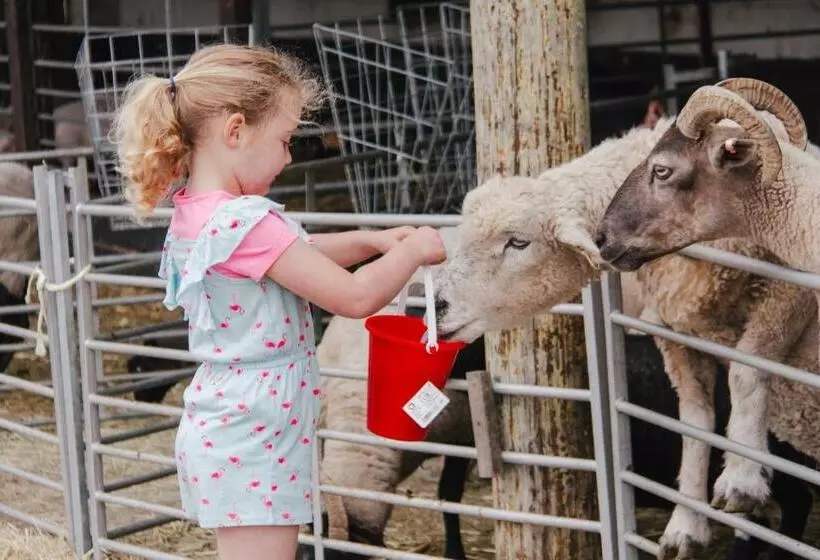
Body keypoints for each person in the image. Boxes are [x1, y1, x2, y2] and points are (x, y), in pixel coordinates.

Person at [111, 43, 446, 560]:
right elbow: (355, 297)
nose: (289, 157)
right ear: (236, 131)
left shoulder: (199, 212)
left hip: (236, 421)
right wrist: (414, 252)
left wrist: (370, 241)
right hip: (256, 432)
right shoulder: (246, 221)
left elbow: (294, 257)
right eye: (285, 141)